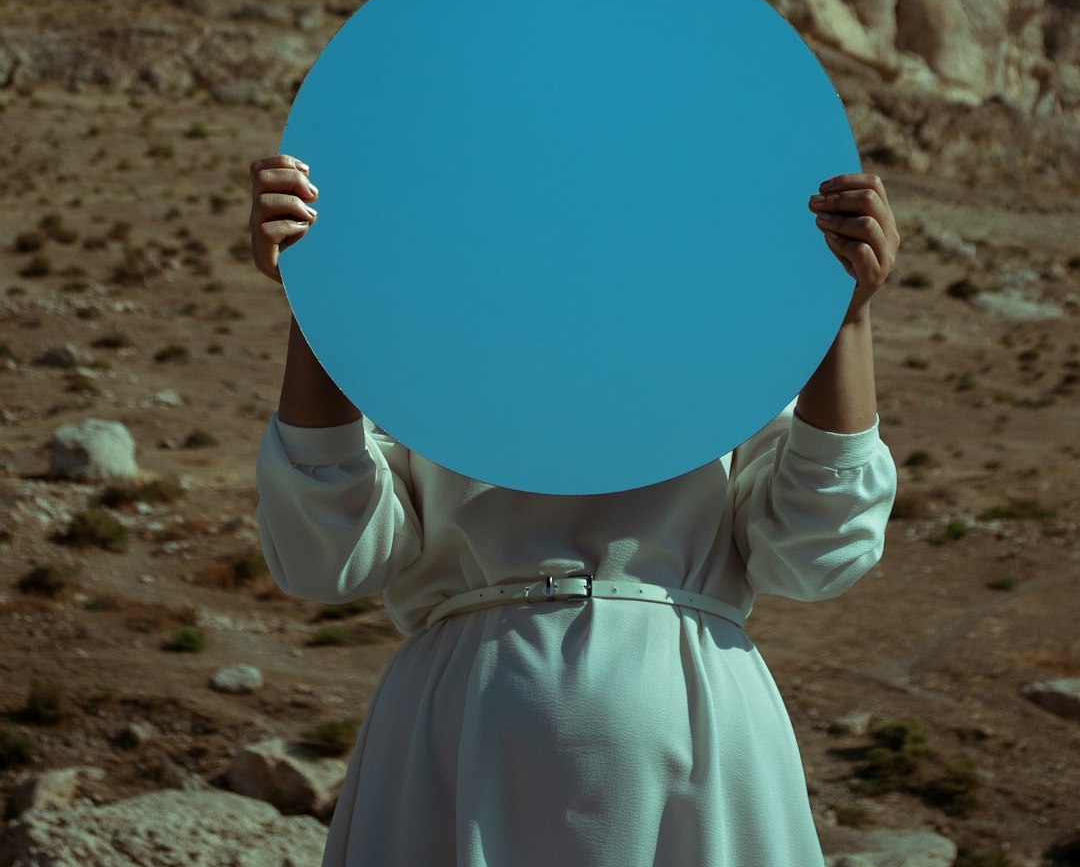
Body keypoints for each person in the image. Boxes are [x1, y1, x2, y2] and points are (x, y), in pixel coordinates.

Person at [251, 153, 899, 867]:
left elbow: (816, 551)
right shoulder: (420, 335)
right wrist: (321, 296)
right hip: (459, 731)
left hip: (690, 726)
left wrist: (844, 318)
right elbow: (328, 558)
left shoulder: (725, 339)